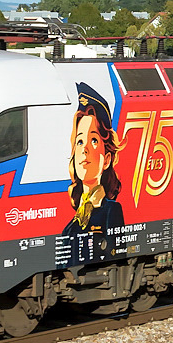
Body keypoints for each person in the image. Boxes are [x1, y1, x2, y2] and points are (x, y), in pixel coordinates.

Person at [67, 84, 125, 258]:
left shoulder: (111, 211)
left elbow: (116, 254)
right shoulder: (71, 225)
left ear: (107, 159)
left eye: (93, 140)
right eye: (79, 141)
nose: (84, 149)